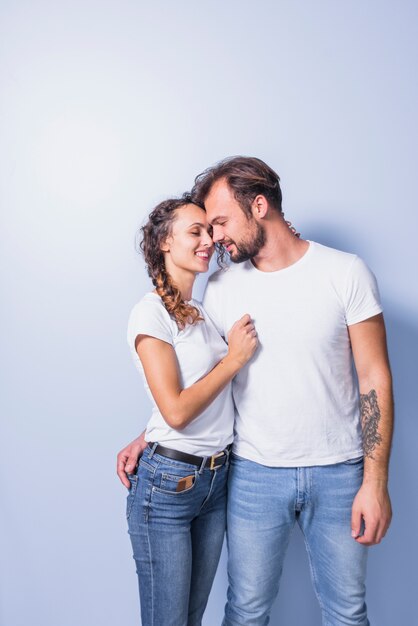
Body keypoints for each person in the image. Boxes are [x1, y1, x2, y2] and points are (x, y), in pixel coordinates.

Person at [118, 157, 393, 626]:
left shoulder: (345, 272)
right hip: (251, 476)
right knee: (245, 613)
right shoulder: (221, 288)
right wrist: (154, 434)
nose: (215, 239)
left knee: (348, 612)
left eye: (220, 222)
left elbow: (374, 378)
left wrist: (375, 482)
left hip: (339, 472)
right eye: (203, 229)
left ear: (259, 205)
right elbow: (203, 373)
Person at [124, 195, 257, 626]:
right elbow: (178, 411)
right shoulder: (150, 314)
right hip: (168, 489)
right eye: (195, 232)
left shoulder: (199, 311)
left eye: (209, 231)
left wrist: (145, 433)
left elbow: (187, 402)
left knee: (192, 619)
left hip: (216, 480)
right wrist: (233, 359)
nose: (208, 240)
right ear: (164, 242)